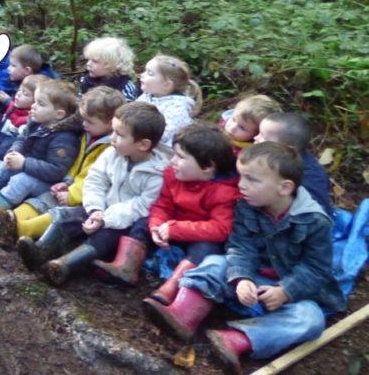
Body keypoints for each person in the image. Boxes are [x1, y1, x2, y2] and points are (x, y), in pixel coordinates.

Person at [142, 142, 344, 373]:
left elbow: (316, 268)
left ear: (285, 187)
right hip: (249, 279)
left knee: (311, 319)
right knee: (215, 263)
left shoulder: (314, 221)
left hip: (281, 288)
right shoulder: (247, 205)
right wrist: (242, 277)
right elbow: (240, 246)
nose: (241, 185)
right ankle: (182, 315)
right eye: (241, 177)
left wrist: (286, 291)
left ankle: (236, 339)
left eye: (252, 180)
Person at [17, 101, 170, 287]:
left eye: (120, 135)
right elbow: (95, 180)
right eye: (113, 131)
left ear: (143, 144)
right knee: (67, 215)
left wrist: (105, 219)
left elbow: (141, 206)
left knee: (105, 237)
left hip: (122, 222)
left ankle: (64, 265)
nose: (112, 138)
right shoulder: (112, 154)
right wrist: (95, 208)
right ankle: (40, 251)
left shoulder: (158, 174)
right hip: (100, 208)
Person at [93, 122, 239, 288]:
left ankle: (173, 290)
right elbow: (162, 205)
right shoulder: (173, 174)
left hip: (198, 237)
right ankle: (126, 267)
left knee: (205, 250)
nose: (173, 160)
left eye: (181, 157)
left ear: (208, 166)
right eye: (174, 154)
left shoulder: (224, 192)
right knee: (143, 224)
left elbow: (221, 229)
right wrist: (156, 226)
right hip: (169, 230)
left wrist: (175, 229)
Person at [0, 86, 124, 246]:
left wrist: (72, 194)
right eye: (83, 118)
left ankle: (21, 229)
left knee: (59, 212)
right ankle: (9, 220)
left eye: (89, 121)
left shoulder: (110, 147)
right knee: (42, 200)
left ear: (110, 123)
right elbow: (77, 162)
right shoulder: (90, 134)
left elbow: (95, 177)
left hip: (92, 199)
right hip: (72, 187)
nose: (83, 124)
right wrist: (67, 181)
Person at [0, 80, 82, 227]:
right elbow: (21, 139)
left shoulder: (64, 138)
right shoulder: (36, 122)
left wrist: (23, 163)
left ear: (59, 114)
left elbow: (56, 170)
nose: (33, 106)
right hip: (30, 168)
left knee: (21, 180)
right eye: (34, 101)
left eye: (41, 104)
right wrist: (14, 152)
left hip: (48, 183)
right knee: (3, 167)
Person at [255, 112, 331, 210]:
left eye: (263, 137)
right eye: (259, 133)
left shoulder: (309, 177)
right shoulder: (273, 159)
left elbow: (315, 213)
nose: (255, 138)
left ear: (287, 148)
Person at [137, 53, 202, 148]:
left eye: (150, 73)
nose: (141, 75)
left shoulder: (178, 109)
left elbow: (161, 136)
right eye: (144, 71)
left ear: (166, 85)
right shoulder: (147, 96)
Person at [80, 36, 139, 101]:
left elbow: (128, 110)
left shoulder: (125, 87)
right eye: (88, 59)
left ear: (112, 65)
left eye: (95, 61)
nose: (88, 64)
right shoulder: (86, 81)